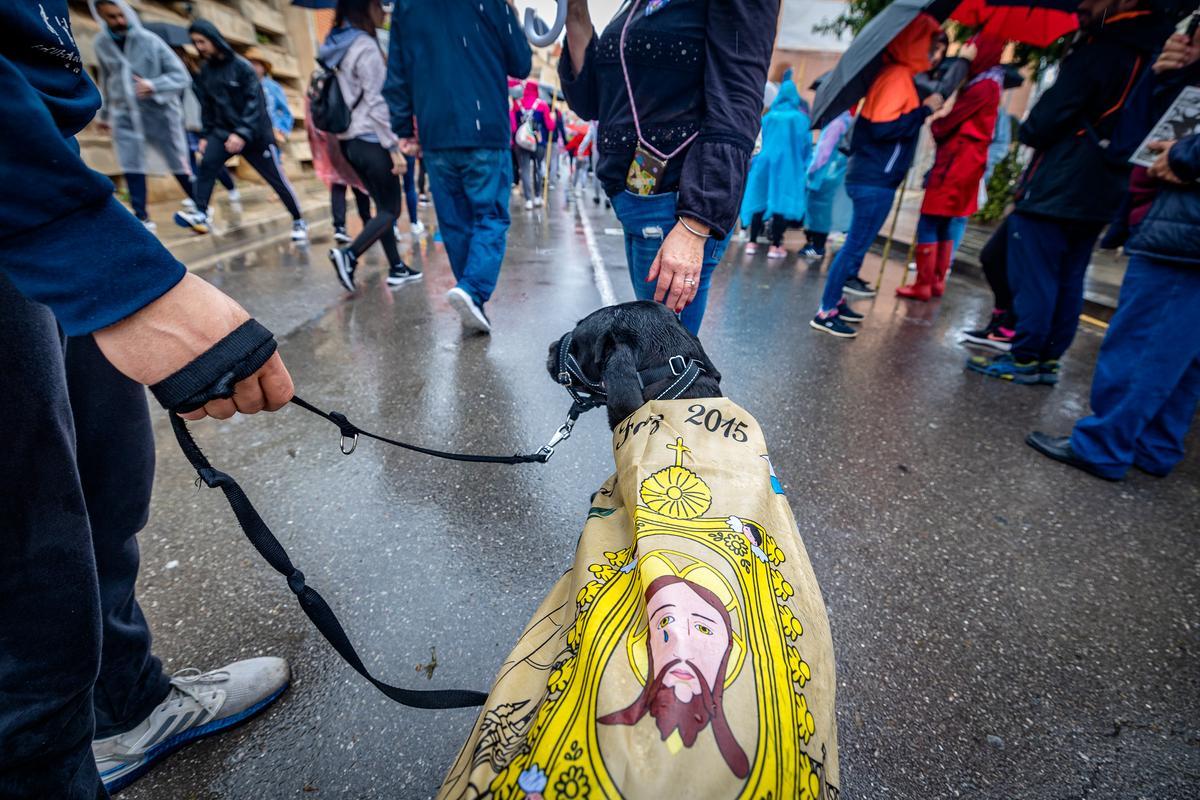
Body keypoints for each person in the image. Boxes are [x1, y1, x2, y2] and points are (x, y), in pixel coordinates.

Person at [1, 3, 295, 796]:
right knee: (26, 593)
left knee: (104, 481)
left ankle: (125, 705)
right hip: (30, 201)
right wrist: (82, 248)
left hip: (42, 168)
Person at [1027, 25, 1199, 480]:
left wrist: (1186, 158)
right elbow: (1137, 137)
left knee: (1146, 338)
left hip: (1186, 228)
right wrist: (1167, 78)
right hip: (1183, 225)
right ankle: (1153, 444)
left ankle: (1104, 443)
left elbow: (1146, 147)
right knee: (1183, 353)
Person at [967, 0, 1170, 383]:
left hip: (1062, 179)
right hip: (1107, 184)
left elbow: (1042, 124)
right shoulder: (1153, 54)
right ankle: (1047, 359)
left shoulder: (1101, 50)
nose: (1082, 4)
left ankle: (1026, 355)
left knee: (1037, 273)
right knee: (1070, 273)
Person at [561, 0, 779, 336]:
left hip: (678, 200)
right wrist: (575, 11)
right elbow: (592, 100)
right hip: (636, 196)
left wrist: (696, 225)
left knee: (666, 362)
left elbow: (738, 97)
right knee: (658, 354)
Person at [384, 0, 532, 334]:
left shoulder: (407, 8)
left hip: (437, 133)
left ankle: (470, 294)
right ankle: (472, 290)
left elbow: (397, 74)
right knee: (490, 215)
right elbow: (521, 63)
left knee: (454, 222)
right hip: (484, 129)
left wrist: (404, 129)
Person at [810, 14, 945, 339]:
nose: (933, 54)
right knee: (855, 246)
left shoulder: (896, 75)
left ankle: (835, 301)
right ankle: (826, 310)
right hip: (873, 180)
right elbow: (881, 129)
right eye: (930, 45)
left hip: (873, 177)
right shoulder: (897, 77)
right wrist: (925, 110)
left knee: (856, 244)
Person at [174, 19, 308, 242]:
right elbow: (207, 107)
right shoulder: (206, 72)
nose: (199, 47)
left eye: (202, 41)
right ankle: (200, 213)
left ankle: (298, 220)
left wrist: (242, 133)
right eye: (195, 42)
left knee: (275, 178)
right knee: (206, 165)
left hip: (255, 134)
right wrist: (207, 136)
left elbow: (255, 105)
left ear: (214, 39)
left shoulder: (242, 67)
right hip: (223, 132)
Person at [898, 34, 1005, 302]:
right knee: (945, 224)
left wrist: (936, 124)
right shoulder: (989, 84)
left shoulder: (983, 87)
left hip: (956, 164)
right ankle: (934, 281)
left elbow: (949, 122)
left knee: (931, 221)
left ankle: (925, 282)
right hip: (964, 164)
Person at [323, 0, 420, 292]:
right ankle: (349, 254)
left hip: (349, 141)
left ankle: (397, 268)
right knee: (392, 209)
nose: (384, 12)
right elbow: (378, 103)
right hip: (372, 139)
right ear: (365, 8)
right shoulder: (364, 46)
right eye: (379, 5)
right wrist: (393, 148)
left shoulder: (335, 45)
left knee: (382, 207)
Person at [88, 0, 196, 230]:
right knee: (132, 164)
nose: (119, 21)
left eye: (121, 15)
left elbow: (181, 76)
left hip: (159, 114)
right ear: (100, 16)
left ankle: (200, 204)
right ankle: (142, 218)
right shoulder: (101, 44)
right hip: (125, 115)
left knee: (177, 162)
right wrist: (105, 115)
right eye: (111, 17)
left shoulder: (150, 41)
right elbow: (106, 80)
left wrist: (153, 85)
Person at [738, 72, 812, 259]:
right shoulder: (800, 119)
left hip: (763, 164)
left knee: (758, 201)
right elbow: (806, 146)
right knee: (781, 204)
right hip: (788, 167)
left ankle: (752, 242)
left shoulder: (769, 117)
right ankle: (775, 246)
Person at [803, 109, 854, 259]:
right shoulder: (847, 122)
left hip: (825, 173)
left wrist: (811, 169)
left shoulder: (836, 124)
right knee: (828, 208)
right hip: (838, 171)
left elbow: (823, 152)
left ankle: (816, 247)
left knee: (818, 208)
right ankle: (818, 245)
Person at [511, 80, 555, 209]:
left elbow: (513, 127)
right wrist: (552, 119)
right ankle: (537, 197)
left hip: (521, 142)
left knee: (524, 169)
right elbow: (550, 127)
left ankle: (528, 200)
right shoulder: (543, 105)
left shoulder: (517, 103)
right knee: (537, 168)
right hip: (538, 141)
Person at [245, 47, 293, 149]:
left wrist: (281, 129)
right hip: (249, 134)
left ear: (264, 68)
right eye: (250, 63)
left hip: (270, 132)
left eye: (257, 64)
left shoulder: (272, 87)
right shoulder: (244, 86)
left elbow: (285, 111)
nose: (253, 67)